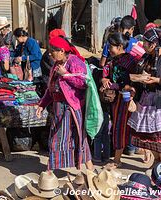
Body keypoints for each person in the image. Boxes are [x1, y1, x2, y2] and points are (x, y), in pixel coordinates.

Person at [35, 36, 94, 171]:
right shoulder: (56, 66)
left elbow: (83, 83)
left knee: (78, 137)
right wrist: (42, 104)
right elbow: (51, 88)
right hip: (58, 109)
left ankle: (90, 170)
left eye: (52, 51)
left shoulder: (75, 62)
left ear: (62, 51)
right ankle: (51, 171)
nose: (50, 54)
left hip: (71, 108)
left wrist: (66, 74)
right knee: (57, 138)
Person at [127, 28, 161, 167]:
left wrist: (156, 80)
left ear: (152, 44)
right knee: (151, 139)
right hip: (147, 102)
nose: (142, 45)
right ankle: (156, 164)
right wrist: (134, 88)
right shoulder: (146, 58)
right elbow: (137, 77)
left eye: (144, 42)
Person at [101, 32, 140, 168]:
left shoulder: (130, 61)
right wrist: (104, 79)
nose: (108, 49)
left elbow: (133, 81)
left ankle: (117, 160)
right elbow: (105, 72)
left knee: (120, 128)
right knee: (120, 127)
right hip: (116, 99)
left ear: (119, 46)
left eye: (110, 46)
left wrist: (116, 85)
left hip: (125, 99)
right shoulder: (113, 61)